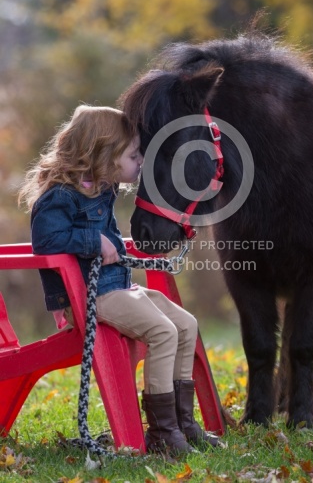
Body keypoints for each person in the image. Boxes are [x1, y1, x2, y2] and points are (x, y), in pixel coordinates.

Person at [18, 104, 219, 454]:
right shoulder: (59, 197)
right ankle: (162, 432)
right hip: (94, 295)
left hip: (120, 286)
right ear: (103, 154)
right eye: (133, 153)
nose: (140, 160)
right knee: (163, 331)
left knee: (185, 324)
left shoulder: (103, 189)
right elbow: (45, 243)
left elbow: (112, 243)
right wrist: (90, 245)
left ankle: (182, 422)